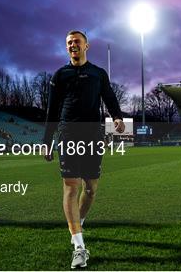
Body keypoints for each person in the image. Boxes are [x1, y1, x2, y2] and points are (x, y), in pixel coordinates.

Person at [43, 30, 125, 269]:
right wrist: (47, 141)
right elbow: (51, 110)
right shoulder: (60, 75)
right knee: (71, 186)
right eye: (68, 43)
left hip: (92, 135)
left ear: (86, 46)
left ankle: (79, 221)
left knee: (90, 189)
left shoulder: (98, 73)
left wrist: (117, 117)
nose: (72, 45)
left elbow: (109, 97)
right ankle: (79, 246)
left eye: (76, 41)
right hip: (68, 134)